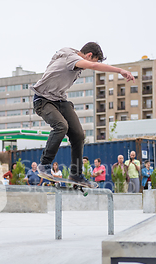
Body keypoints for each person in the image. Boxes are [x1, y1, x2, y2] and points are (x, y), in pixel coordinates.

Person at [33, 42, 134, 187]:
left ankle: (76, 174)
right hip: (43, 100)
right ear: (89, 55)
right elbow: (92, 65)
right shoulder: (72, 57)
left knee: (79, 135)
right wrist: (119, 71)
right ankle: (44, 164)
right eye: (92, 61)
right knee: (61, 126)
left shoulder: (75, 61)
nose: (89, 67)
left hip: (60, 101)